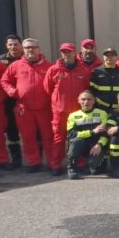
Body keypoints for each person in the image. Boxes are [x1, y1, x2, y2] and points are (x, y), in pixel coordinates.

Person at [0, 38, 53, 173]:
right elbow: (4, 81)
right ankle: (33, 162)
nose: (30, 50)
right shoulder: (16, 65)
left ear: (38, 49)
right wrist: (12, 91)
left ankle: (53, 162)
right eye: (27, 47)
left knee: (48, 137)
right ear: (23, 50)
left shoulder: (49, 66)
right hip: (24, 108)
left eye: (33, 47)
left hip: (44, 108)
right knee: (28, 137)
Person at [45, 42, 92, 175]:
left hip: (78, 112)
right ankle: (55, 165)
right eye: (64, 52)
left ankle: (80, 163)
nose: (66, 54)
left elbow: (87, 88)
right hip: (60, 112)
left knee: (80, 138)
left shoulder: (83, 70)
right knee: (58, 139)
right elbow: (47, 89)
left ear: (75, 53)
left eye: (69, 51)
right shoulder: (53, 70)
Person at [64, 90, 109, 179]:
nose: (86, 102)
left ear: (94, 100)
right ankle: (72, 168)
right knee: (75, 141)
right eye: (83, 99)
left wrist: (99, 145)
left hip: (95, 145)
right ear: (78, 100)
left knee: (93, 167)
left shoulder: (102, 113)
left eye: (89, 99)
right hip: (81, 143)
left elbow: (105, 134)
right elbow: (72, 134)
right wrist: (92, 132)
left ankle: (95, 164)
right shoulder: (73, 115)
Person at [0, 34, 24, 167]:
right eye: (10, 44)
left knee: (34, 130)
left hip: (24, 99)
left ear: (21, 45)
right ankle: (16, 158)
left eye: (16, 44)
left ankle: (36, 159)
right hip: (7, 101)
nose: (13, 47)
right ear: (6, 46)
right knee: (11, 130)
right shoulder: (0, 61)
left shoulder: (28, 58)